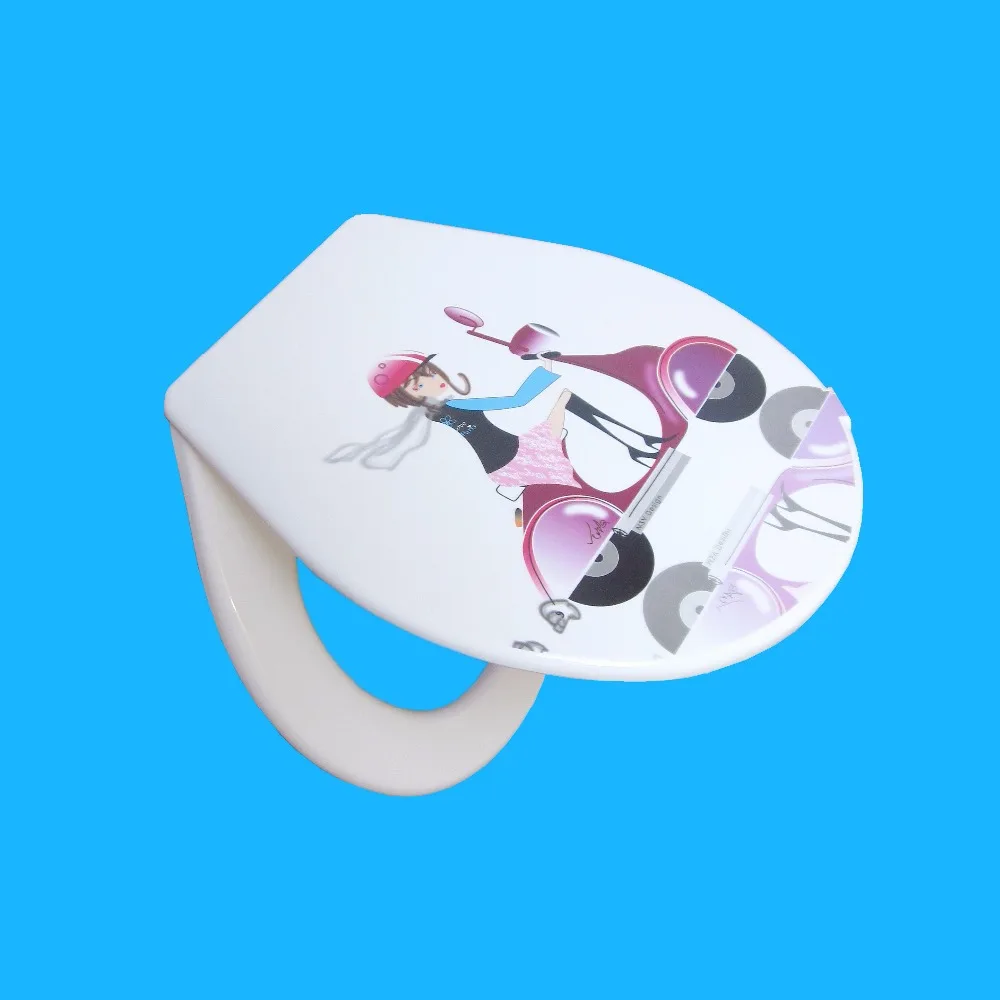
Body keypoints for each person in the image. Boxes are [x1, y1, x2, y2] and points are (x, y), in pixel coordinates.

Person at [325, 350, 670, 485]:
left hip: (504, 463)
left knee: (564, 399)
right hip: (518, 457)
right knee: (565, 396)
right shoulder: (451, 406)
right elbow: (516, 401)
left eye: (428, 373)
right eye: (418, 383)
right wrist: (546, 367)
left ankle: (638, 445)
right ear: (407, 395)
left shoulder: (433, 413)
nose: (431, 380)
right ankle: (637, 444)